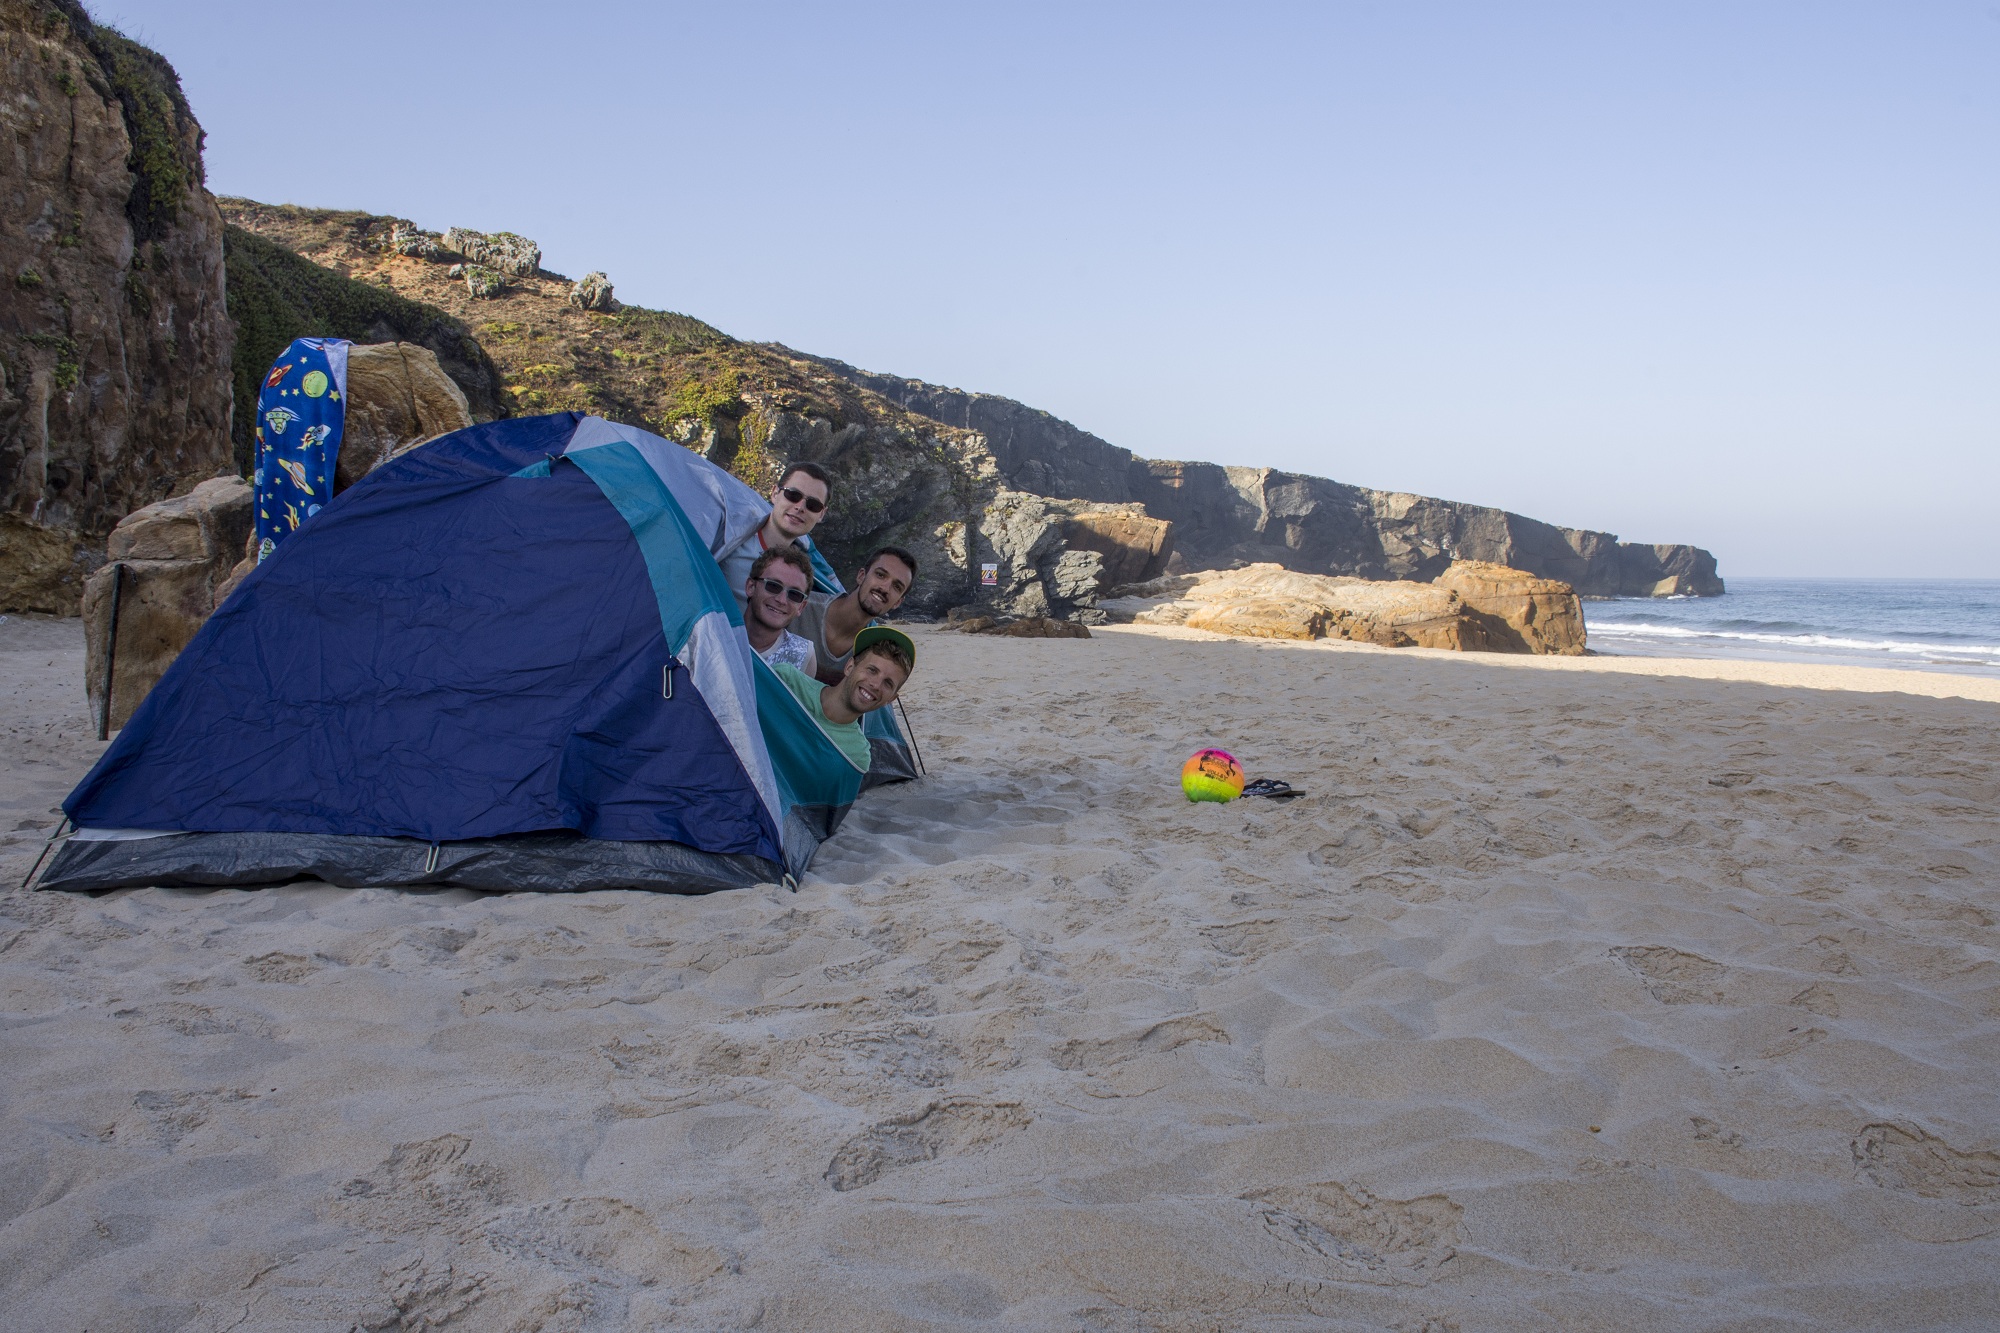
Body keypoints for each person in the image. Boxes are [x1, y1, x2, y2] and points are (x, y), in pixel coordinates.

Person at [769, 627, 915, 772]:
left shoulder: (857, 756)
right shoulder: (786, 680)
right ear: (849, 667)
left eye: (888, 683)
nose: (875, 685)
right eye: (872, 670)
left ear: (890, 700)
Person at [715, 461, 831, 612]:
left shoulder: (804, 573)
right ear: (775, 493)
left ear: (821, 514)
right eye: (793, 495)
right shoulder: (727, 538)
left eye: (813, 505)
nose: (800, 507)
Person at [795, 545, 918, 685]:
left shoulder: (873, 651)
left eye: (897, 587)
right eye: (880, 575)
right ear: (861, 576)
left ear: (898, 602)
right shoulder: (799, 606)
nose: (884, 588)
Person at [744, 546, 817, 675]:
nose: (782, 600)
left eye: (794, 595)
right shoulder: (717, 631)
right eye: (773, 586)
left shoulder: (804, 656)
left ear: (801, 607)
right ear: (751, 587)